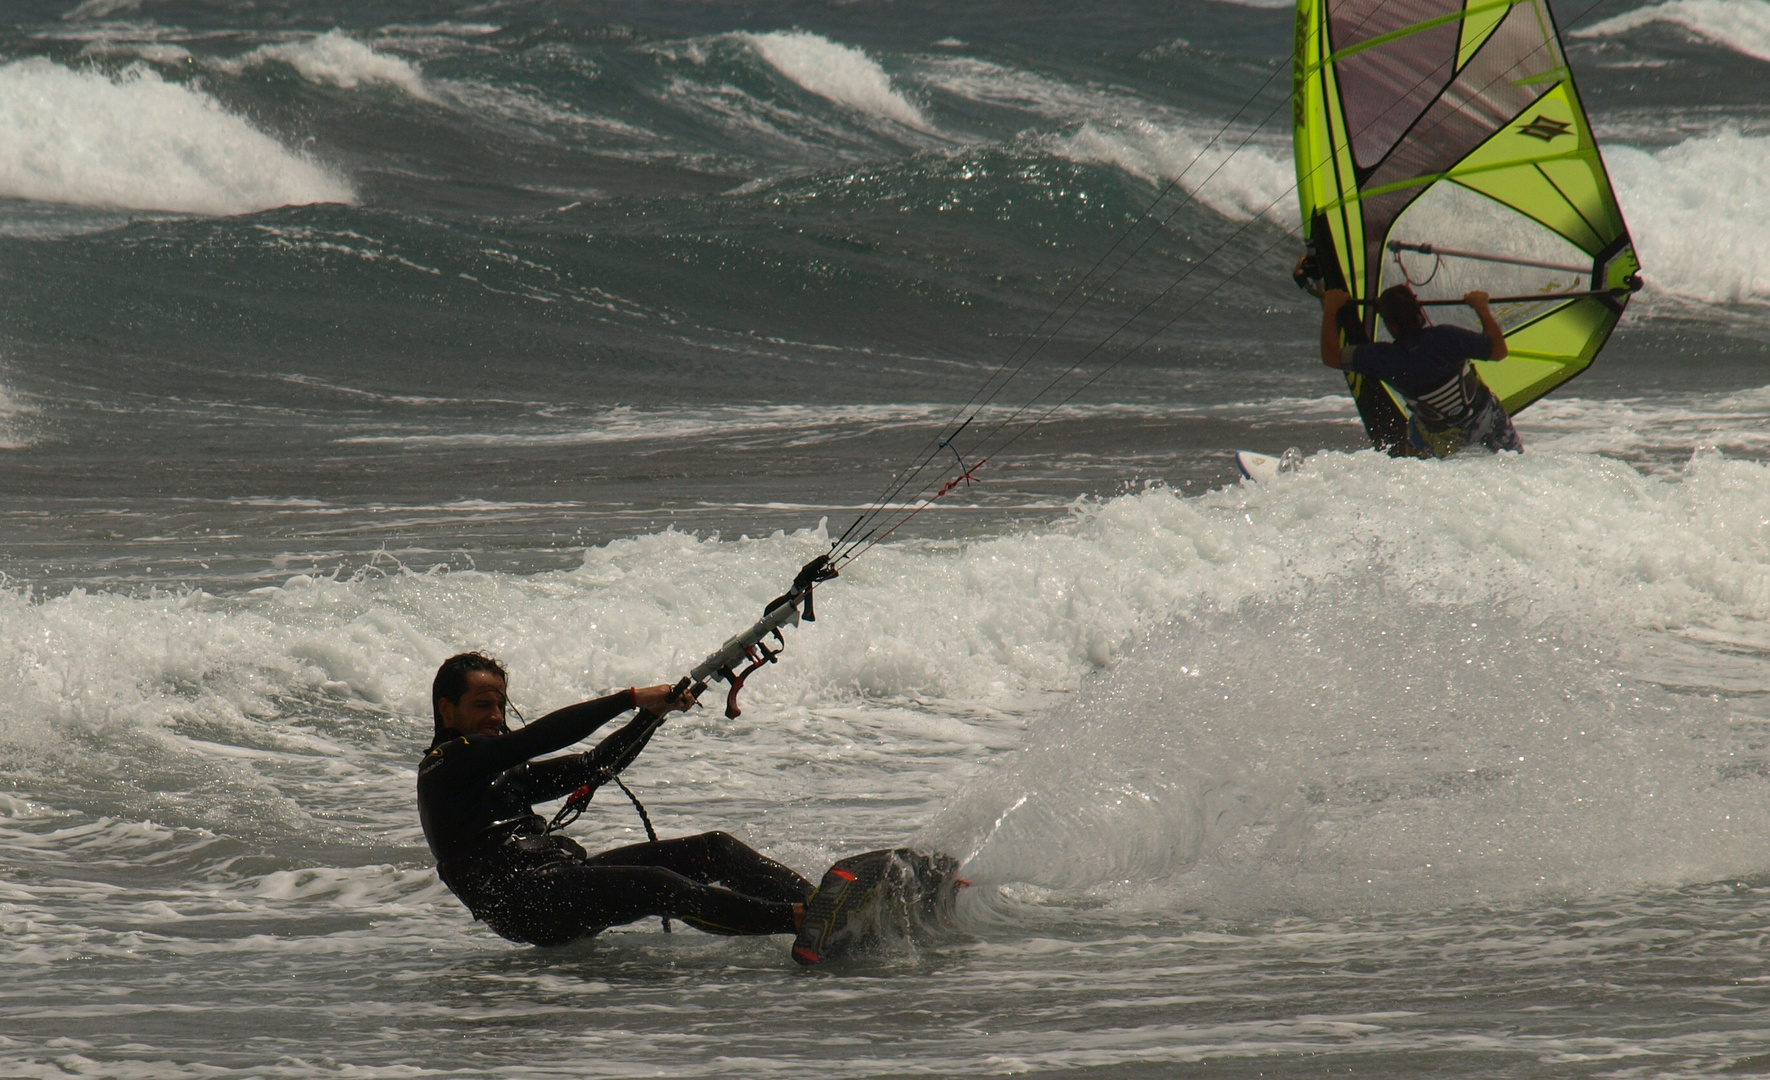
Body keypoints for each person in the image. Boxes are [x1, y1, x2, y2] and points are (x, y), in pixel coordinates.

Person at [417, 652, 812, 947]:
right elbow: (535, 739)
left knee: (715, 848)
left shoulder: (500, 769)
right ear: (447, 710)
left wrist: (653, 715)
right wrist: (631, 698)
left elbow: (594, 764)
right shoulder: (444, 766)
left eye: (500, 705)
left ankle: (825, 903)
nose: (496, 715)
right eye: (483, 705)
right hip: (526, 904)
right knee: (658, 884)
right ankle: (803, 920)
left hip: (559, 881)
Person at [1319, 283, 1522, 456]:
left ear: (1391, 325)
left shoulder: (1384, 358)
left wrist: (1331, 308)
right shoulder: (1446, 338)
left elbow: (1331, 356)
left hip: (1444, 443)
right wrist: (1481, 307)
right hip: (1489, 424)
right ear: (1419, 312)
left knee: (1416, 428)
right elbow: (1498, 351)